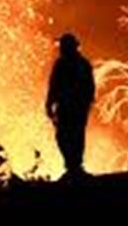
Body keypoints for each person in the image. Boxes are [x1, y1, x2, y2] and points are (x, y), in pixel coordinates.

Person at [46, 33, 96, 178]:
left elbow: (54, 86)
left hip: (72, 107)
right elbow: (54, 85)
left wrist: (50, 103)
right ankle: (73, 166)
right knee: (68, 135)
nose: (60, 49)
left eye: (62, 46)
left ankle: (74, 167)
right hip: (73, 107)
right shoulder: (75, 64)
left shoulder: (74, 64)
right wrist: (49, 103)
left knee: (70, 135)